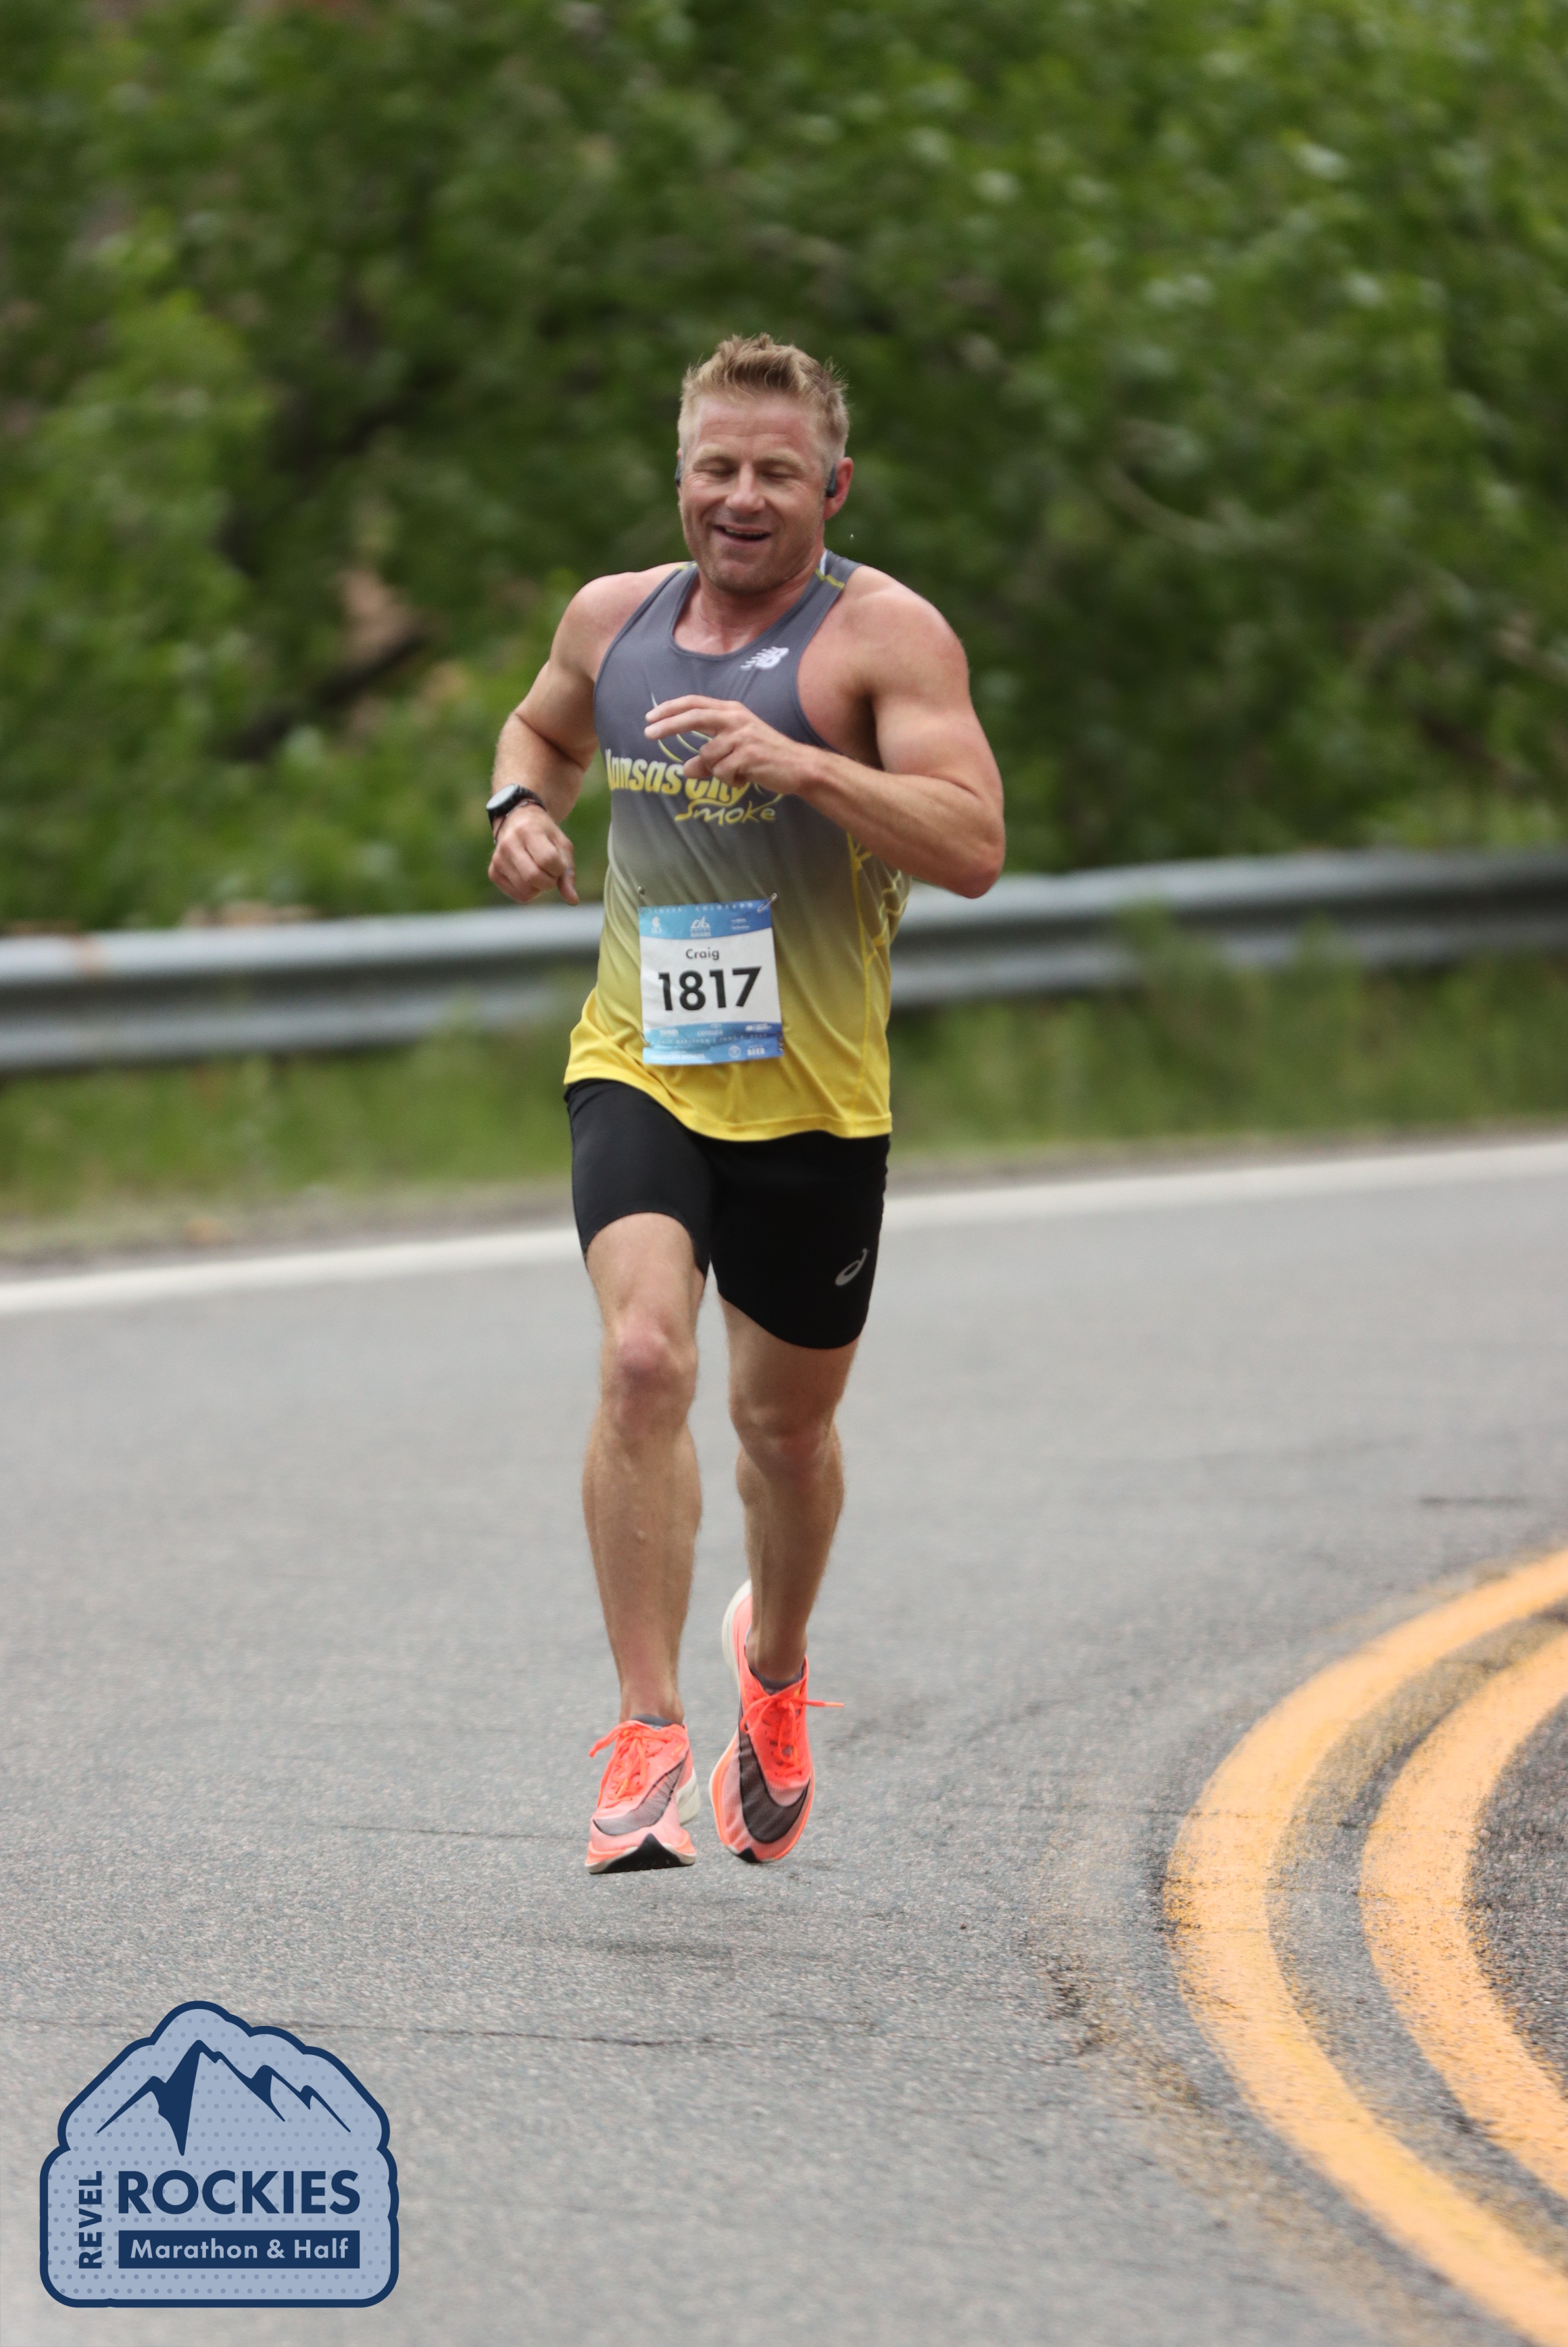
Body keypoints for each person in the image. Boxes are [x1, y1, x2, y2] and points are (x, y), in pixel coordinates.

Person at [485, 333, 1003, 1872]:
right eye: (716, 466)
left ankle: (769, 1667)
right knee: (644, 1357)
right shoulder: (614, 618)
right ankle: (645, 1735)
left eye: (778, 471)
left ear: (832, 488)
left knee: (784, 1430)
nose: (742, 495)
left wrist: (806, 766)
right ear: (681, 477)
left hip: (816, 1105)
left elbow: (972, 843)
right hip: (640, 1063)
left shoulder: (883, 639)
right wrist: (519, 807)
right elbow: (541, 729)